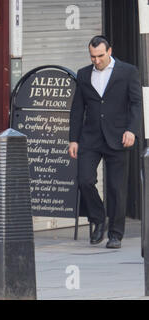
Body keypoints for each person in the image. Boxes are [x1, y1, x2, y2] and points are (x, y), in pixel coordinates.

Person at [69, 35, 142, 249]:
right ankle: (98, 218)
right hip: (90, 137)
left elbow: (136, 104)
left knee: (116, 188)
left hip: (119, 136)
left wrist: (132, 130)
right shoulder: (83, 74)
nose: (96, 60)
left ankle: (115, 234)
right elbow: (77, 109)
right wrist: (73, 139)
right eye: (92, 57)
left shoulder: (128, 72)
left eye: (100, 56)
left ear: (109, 52)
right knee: (84, 180)